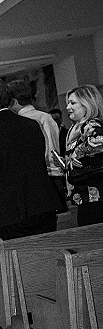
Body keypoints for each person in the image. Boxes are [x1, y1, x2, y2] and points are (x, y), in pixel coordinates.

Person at [0, 78, 60, 240]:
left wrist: (1, 201)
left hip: (12, 213)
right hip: (43, 205)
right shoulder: (32, 125)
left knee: (20, 264)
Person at [8, 80, 66, 212]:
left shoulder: (21, 122)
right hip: (55, 174)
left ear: (13, 101)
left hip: (41, 178)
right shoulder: (46, 117)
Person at [65, 85, 103, 226]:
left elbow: (97, 148)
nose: (68, 107)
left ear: (87, 105)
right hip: (83, 195)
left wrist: (77, 153)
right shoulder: (75, 128)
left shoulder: (93, 126)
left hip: (96, 196)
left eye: (73, 103)